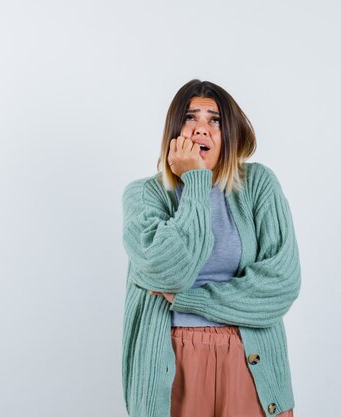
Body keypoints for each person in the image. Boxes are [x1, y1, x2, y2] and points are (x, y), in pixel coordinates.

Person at [121, 79, 301, 417]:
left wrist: (192, 299)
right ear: (174, 131)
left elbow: (281, 285)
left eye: (214, 120)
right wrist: (196, 183)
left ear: (229, 131)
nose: (202, 128)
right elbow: (169, 271)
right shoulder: (143, 195)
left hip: (250, 357)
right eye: (191, 118)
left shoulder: (258, 185)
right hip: (173, 359)